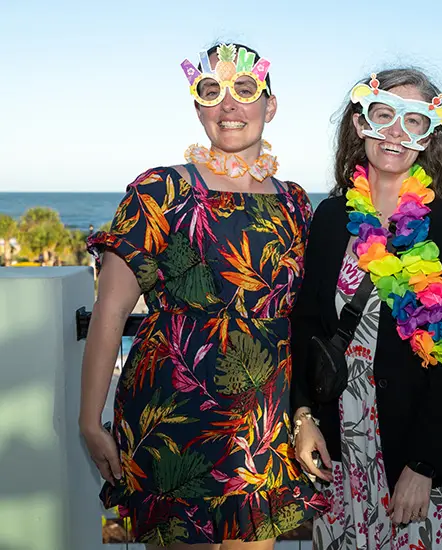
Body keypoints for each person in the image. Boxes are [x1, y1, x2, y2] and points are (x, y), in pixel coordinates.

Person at [80, 42, 327, 549]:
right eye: (211, 90)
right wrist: (89, 420)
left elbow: (301, 320)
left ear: (270, 106)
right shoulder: (160, 191)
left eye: (245, 89)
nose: (229, 104)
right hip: (172, 418)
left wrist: (303, 416)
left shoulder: (297, 202)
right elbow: (110, 310)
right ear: (198, 107)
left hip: (263, 427)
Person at [289, 68, 442, 549]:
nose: (395, 132)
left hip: (416, 446)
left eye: (413, 120)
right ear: (360, 125)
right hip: (343, 441)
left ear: (429, 135)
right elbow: (308, 324)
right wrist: (303, 416)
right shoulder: (333, 217)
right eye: (383, 115)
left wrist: (423, 465)